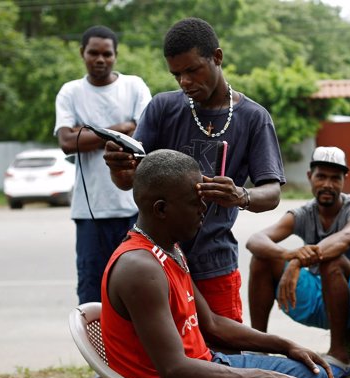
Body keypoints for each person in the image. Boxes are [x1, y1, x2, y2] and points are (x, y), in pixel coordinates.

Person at [101, 149, 334, 378]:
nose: (205, 208)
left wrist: (285, 346)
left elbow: (211, 324)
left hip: (202, 375)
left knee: (314, 376)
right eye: (194, 201)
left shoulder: (168, 248)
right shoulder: (140, 267)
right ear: (162, 209)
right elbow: (176, 372)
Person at [103, 17, 284, 324]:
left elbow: (272, 193)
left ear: (217, 57)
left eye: (192, 70)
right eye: (177, 75)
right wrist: (118, 167)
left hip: (214, 261)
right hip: (156, 258)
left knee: (224, 358)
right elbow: (129, 181)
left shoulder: (253, 117)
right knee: (162, 358)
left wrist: (240, 195)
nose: (185, 82)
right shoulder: (162, 108)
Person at [54, 25, 151, 378]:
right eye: (93, 52)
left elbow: (144, 132)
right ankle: (103, 365)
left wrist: (90, 132)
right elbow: (67, 141)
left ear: (116, 55)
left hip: (133, 205)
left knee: (138, 287)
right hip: (88, 211)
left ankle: (139, 360)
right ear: (82, 53)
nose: (100, 59)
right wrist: (121, 128)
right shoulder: (71, 92)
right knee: (91, 289)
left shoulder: (134, 86)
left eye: (106, 53)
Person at [246, 147, 350, 378]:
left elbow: (345, 239)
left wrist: (297, 262)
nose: (327, 184)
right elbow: (255, 240)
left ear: (344, 180)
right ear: (310, 177)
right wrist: (286, 255)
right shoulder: (303, 213)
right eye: (321, 176)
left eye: (335, 178)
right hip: (320, 299)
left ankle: (339, 355)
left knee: (333, 260)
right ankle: (259, 346)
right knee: (263, 258)